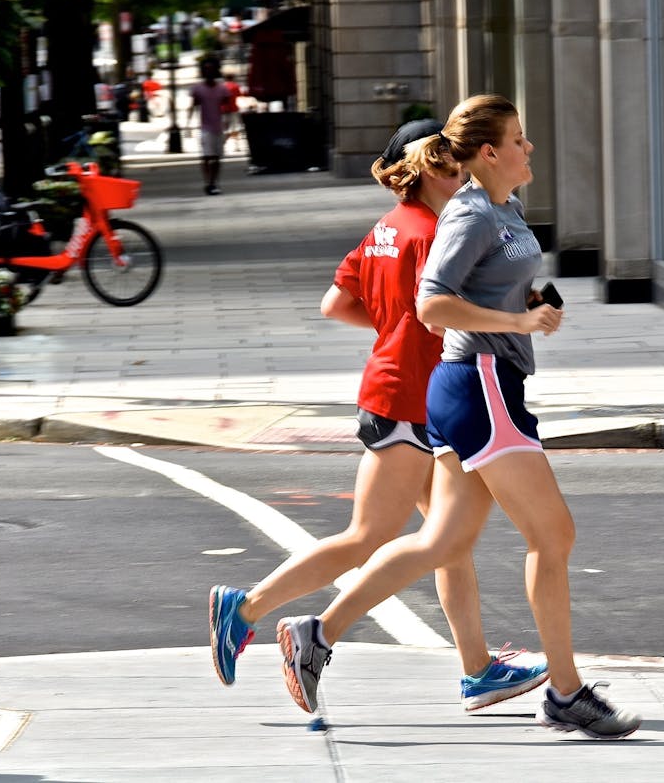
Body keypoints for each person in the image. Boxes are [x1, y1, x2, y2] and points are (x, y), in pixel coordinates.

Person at [275, 95, 642, 740]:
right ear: (490, 152)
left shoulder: (507, 209)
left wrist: (536, 300)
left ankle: (317, 633)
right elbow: (432, 306)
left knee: (442, 543)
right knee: (552, 536)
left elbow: (502, 280)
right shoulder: (468, 215)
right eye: (520, 139)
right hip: (478, 384)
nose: (530, 149)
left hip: (485, 384)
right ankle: (565, 692)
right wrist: (517, 322)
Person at [209, 118, 549, 714]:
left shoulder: (388, 229)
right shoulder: (434, 235)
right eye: (454, 165)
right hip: (411, 403)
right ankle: (247, 609)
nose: (464, 173)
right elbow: (443, 313)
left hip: (398, 395)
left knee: (448, 541)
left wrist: (393, 327)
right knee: (371, 537)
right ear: (436, 170)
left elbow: (335, 303)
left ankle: (478, 670)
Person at [187, 60, 231, 195]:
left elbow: (227, 105)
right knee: (206, 156)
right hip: (205, 127)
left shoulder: (222, 89)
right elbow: (194, 105)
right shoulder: (198, 89)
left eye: (211, 69)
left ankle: (214, 182)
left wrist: (228, 121)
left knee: (217, 157)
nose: (209, 72)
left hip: (218, 126)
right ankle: (208, 182)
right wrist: (188, 124)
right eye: (206, 70)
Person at [221, 72, 244, 152]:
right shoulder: (235, 86)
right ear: (233, 78)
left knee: (224, 128)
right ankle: (236, 146)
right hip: (233, 109)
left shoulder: (221, 87)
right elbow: (240, 95)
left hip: (222, 110)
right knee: (235, 128)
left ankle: (222, 146)